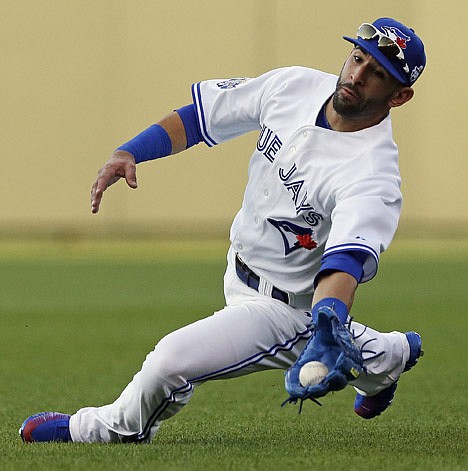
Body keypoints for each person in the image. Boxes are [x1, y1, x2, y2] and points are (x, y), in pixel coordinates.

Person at [20, 17, 426, 443]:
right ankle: (389, 357)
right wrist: (130, 151)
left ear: (400, 96)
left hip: (286, 308)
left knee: (170, 361)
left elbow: (344, 262)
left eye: (377, 73)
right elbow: (202, 117)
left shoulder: (373, 175)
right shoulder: (295, 86)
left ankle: (109, 429)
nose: (358, 75)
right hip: (239, 264)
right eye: (358, 58)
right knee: (322, 335)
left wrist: (327, 321)